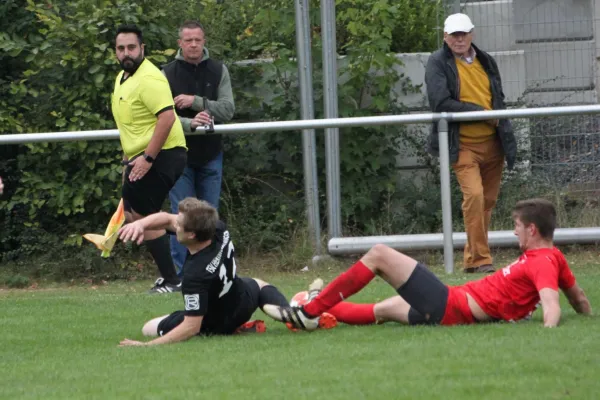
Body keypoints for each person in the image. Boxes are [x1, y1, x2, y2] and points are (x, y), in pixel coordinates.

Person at [263, 199, 592, 330]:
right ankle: (315, 313)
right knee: (384, 309)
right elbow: (577, 299)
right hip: (454, 301)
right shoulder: (555, 257)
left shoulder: (543, 261)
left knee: (379, 254)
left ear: (532, 230)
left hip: (451, 306)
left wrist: (549, 331)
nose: (515, 231)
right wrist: (588, 317)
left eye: (518, 227)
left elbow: (552, 305)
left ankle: (308, 310)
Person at [116, 198, 336, 346]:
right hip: (243, 301)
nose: (175, 224)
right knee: (257, 283)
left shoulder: (194, 274)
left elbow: (192, 327)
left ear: (191, 235)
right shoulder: (217, 228)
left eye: (179, 224)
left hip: (216, 323)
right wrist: (141, 224)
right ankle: (291, 313)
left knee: (148, 328)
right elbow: (166, 218)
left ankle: (236, 328)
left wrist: (146, 346)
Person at [425, 13, 517, 273]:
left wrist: (497, 122)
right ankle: (481, 259)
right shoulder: (437, 62)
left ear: (472, 34)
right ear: (445, 36)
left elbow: (498, 97)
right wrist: (481, 113)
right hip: (462, 145)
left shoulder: (486, 60)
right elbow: (440, 102)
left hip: (493, 144)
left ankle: (471, 258)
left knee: (486, 202)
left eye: (463, 33)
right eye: (454, 34)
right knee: (474, 196)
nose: (459, 39)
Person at [111, 24, 187, 294]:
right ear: (115, 52)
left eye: (131, 47)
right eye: (121, 48)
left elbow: (167, 118)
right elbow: (130, 128)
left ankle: (173, 280)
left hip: (163, 155)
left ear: (142, 48)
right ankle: (198, 234)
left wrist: (147, 158)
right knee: (133, 215)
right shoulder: (123, 78)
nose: (126, 52)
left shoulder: (149, 78)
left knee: (143, 215)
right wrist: (127, 162)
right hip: (140, 157)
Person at [162, 20, 235, 276]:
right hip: (176, 156)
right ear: (180, 43)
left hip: (211, 155)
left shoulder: (218, 70)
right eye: (188, 40)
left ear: (204, 42)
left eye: (198, 40)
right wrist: (190, 123)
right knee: (180, 218)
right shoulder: (166, 74)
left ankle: (211, 273)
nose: (193, 44)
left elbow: (228, 109)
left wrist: (196, 102)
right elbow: (160, 117)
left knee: (208, 218)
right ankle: (182, 276)